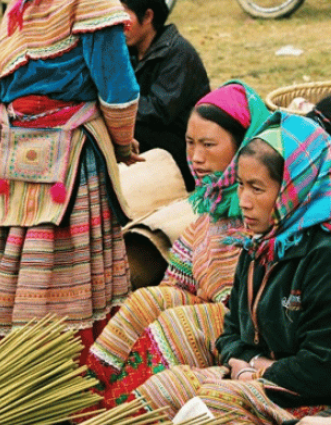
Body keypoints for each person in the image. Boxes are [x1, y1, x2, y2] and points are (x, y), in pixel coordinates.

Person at [0, 0, 141, 359]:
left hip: (71, 154)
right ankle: (17, 358)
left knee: (58, 258)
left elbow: (118, 88)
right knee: (20, 254)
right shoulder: (23, 2)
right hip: (22, 150)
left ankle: (63, 360)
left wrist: (121, 145)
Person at [134, 112, 331, 424]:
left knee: (213, 406)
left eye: (257, 188)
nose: (244, 202)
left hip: (310, 396)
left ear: (294, 188)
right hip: (255, 375)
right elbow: (231, 330)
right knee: (165, 389)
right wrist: (245, 361)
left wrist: (259, 371)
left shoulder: (322, 254)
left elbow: (322, 367)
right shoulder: (260, 244)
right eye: (240, 185)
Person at [86, 82, 271, 409]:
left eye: (209, 145)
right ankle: (99, 397)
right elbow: (179, 279)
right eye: (190, 143)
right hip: (218, 321)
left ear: (244, 145)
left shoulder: (265, 207)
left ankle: (132, 409)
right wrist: (161, 303)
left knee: (177, 327)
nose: (196, 158)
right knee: (146, 299)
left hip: (252, 337)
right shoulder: (210, 208)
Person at [114, 0, 210, 191]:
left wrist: (113, 105)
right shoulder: (126, 51)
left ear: (147, 16)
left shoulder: (178, 53)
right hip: (150, 136)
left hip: (183, 147)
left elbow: (158, 111)